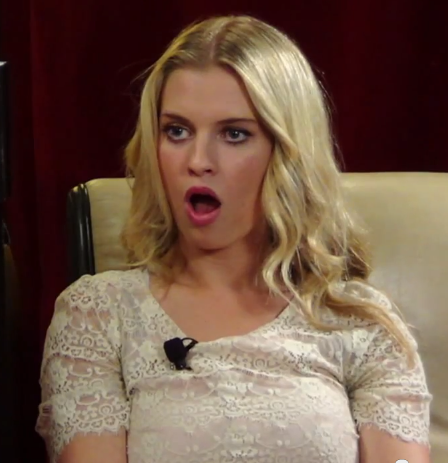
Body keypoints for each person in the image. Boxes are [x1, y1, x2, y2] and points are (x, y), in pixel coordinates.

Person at [36, 14, 432, 463]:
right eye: (177, 131)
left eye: (234, 134)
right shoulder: (97, 315)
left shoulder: (362, 323)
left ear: (286, 155)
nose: (198, 160)